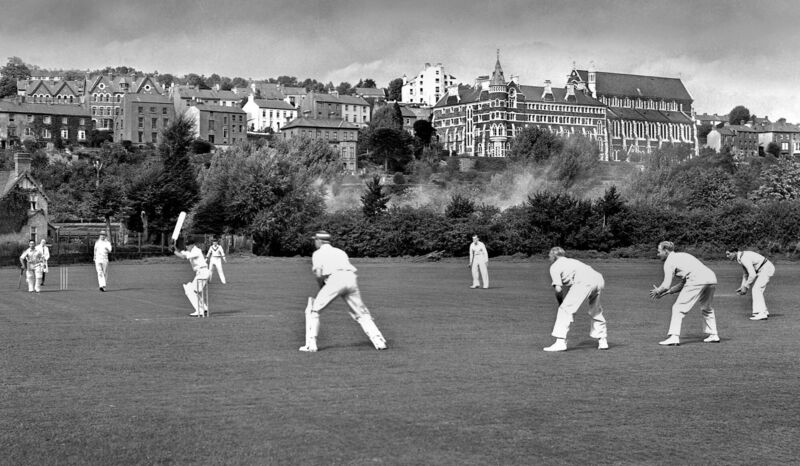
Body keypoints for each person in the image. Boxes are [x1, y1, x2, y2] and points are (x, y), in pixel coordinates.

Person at [300, 231, 387, 352]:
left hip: (335, 279)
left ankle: (311, 345)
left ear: (320, 241)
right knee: (361, 312)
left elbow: (319, 275)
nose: (314, 242)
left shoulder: (318, 253)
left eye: (315, 240)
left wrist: (321, 287)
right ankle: (379, 341)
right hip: (351, 279)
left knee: (313, 310)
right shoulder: (340, 251)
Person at [650, 241, 720, 346]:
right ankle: (714, 335)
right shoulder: (683, 255)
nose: (657, 254)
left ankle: (674, 337)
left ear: (666, 251)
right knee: (707, 308)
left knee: (678, 308)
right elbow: (684, 282)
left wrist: (658, 291)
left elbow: (666, 285)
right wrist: (668, 292)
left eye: (659, 251)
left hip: (697, 279)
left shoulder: (669, 262)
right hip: (711, 278)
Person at [543, 247, 608, 352]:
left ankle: (560, 343)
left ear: (553, 256)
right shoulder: (572, 261)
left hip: (584, 282)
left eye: (549, 255)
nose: (549, 257)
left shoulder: (554, 267)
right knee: (595, 310)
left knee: (564, 310)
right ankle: (602, 340)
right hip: (598, 279)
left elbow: (558, 289)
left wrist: (560, 303)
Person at [725, 247, 774, 321]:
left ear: (734, 252)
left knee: (756, 289)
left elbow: (752, 274)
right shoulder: (741, 257)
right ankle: (762, 311)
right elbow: (746, 274)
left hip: (766, 269)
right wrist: (742, 286)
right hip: (764, 269)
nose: (727, 256)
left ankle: (761, 313)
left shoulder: (744, 258)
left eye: (728, 254)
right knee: (757, 289)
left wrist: (746, 286)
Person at [173, 237, 210, 317]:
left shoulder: (197, 251)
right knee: (190, 289)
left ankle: (199, 311)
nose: (187, 246)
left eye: (188, 245)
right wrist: (175, 247)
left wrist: (174, 252)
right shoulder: (190, 251)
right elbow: (182, 253)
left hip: (203, 272)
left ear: (193, 245)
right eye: (186, 245)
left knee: (190, 291)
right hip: (200, 273)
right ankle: (204, 308)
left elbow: (183, 257)